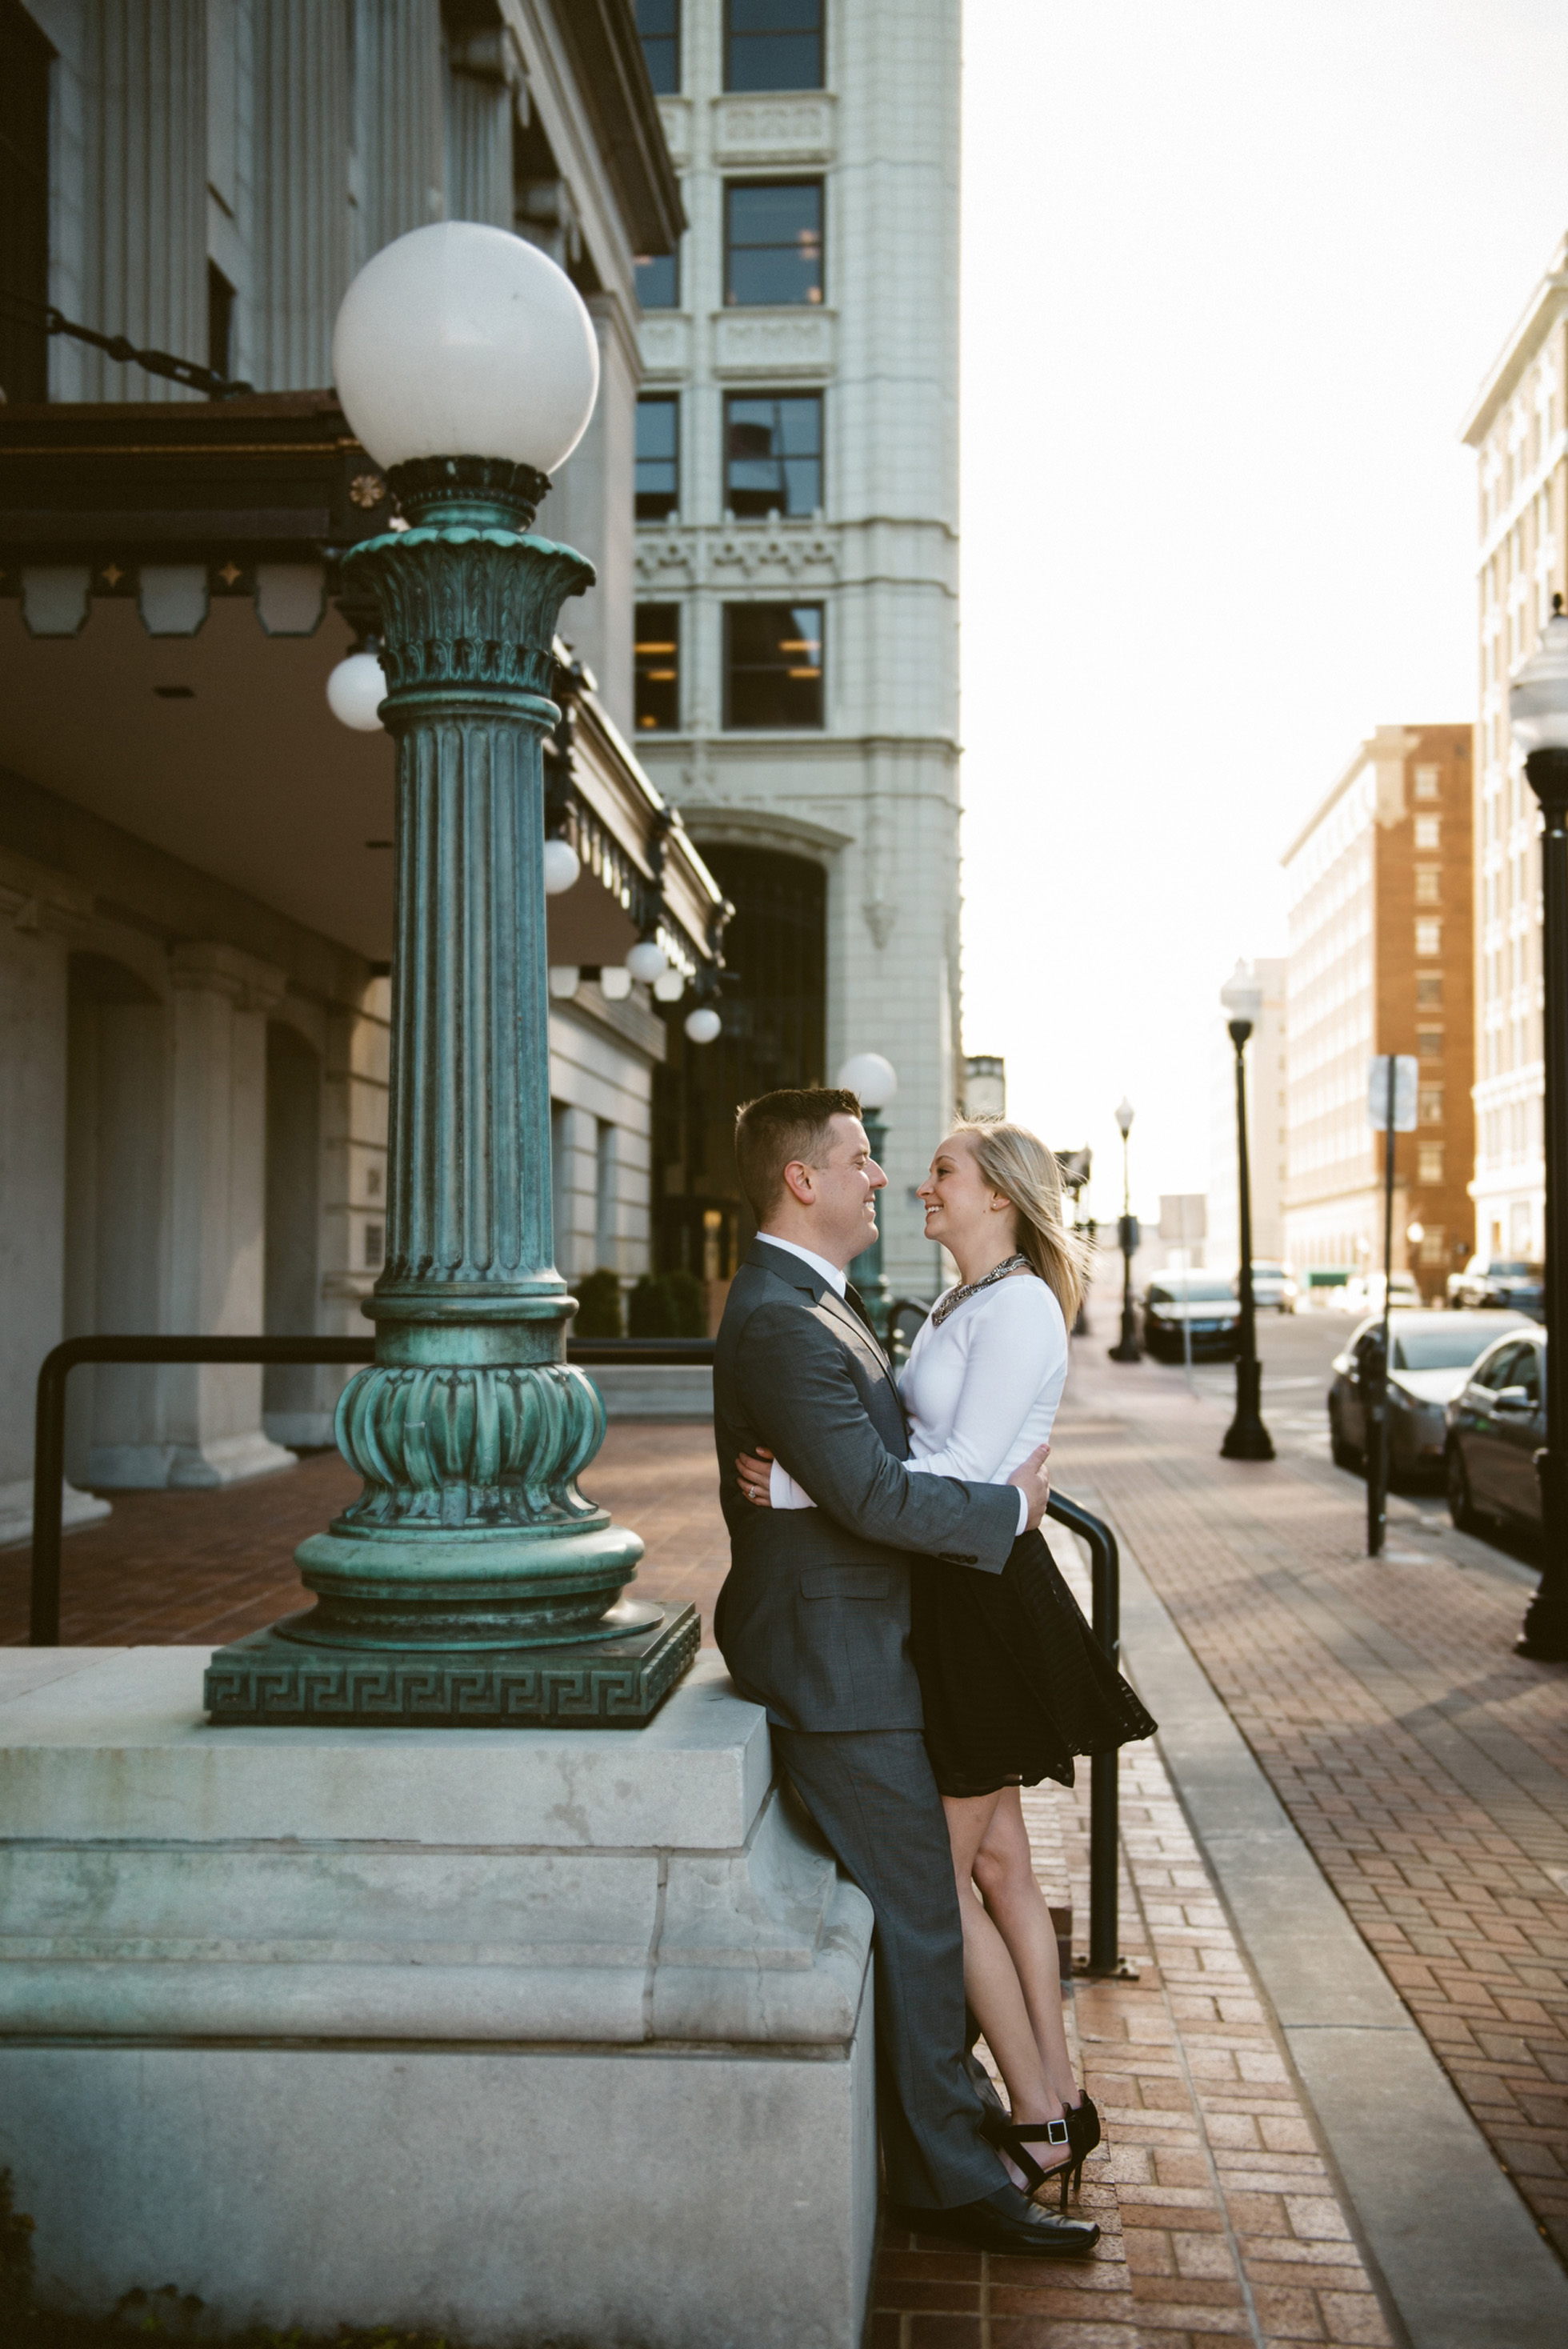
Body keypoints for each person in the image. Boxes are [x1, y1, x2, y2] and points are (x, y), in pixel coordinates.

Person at [735, 1116, 1156, 2207]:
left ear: (1002, 1197)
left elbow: (962, 1469)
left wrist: (801, 1484)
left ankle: (1036, 2116)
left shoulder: (1015, 1305)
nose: (918, 1187)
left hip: (977, 1604)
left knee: (941, 1880)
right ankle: (1058, 2099)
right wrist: (844, 1476)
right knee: (1003, 1869)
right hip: (957, 1587)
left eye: (942, 1174)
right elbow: (923, 1456)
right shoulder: (960, 1303)